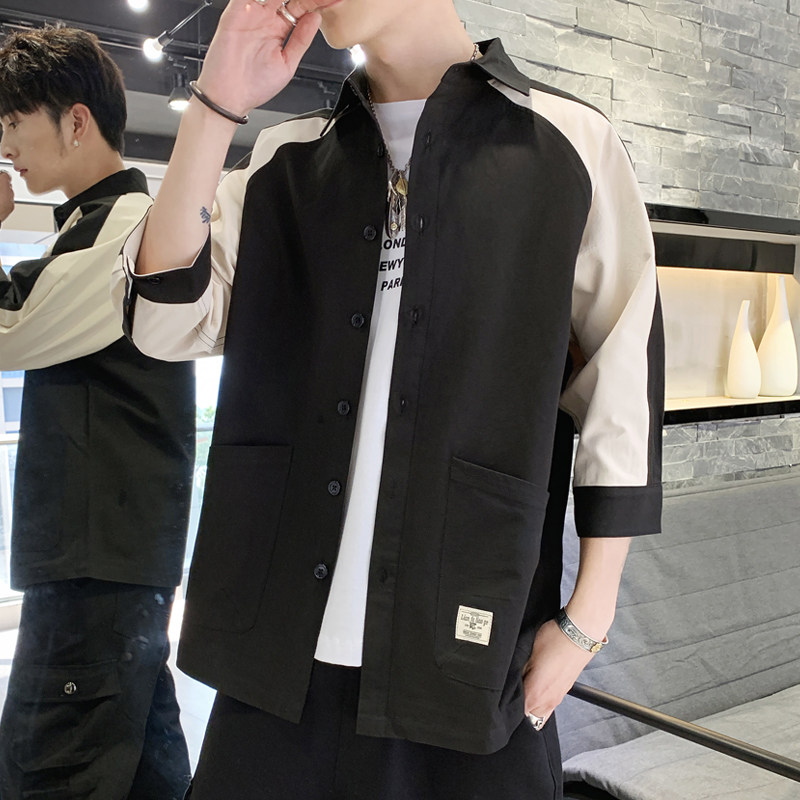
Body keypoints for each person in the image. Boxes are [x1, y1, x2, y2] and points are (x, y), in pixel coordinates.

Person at [117, 0, 664, 797]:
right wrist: (216, 103)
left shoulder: (565, 143)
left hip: (465, 654)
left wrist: (590, 617)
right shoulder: (285, 157)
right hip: (275, 654)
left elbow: (623, 381)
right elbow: (163, 320)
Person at [0, 27, 195, 800]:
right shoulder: (91, 230)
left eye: (14, 122)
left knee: (49, 770)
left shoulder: (122, 226)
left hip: (95, 562)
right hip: (107, 557)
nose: (6, 146)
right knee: (146, 770)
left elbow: (10, 330)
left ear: (75, 121)